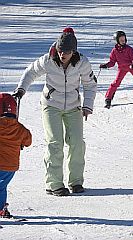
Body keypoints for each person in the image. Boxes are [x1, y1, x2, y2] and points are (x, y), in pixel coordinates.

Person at [13, 28, 97, 196]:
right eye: (60, 51)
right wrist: (21, 89)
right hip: (51, 105)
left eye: (65, 52)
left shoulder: (82, 62)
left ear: (73, 52)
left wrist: (88, 105)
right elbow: (30, 72)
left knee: (77, 143)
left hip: (73, 106)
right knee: (55, 143)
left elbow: (90, 84)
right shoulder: (48, 60)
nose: (62, 55)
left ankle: (76, 182)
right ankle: (54, 183)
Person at [100, 30, 133, 108]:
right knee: (116, 83)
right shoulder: (114, 51)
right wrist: (106, 65)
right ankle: (108, 99)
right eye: (121, 39)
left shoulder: (128, 49)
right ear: (117, 40)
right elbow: (112, 62)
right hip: (122, 68)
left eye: (124, 39)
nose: (123, 41)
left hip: (131, 67)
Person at [0, 93, 32, 217]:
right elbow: (28, 141)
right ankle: (1, 208)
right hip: (10, 167)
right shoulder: (19, 128)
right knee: (1, 187)